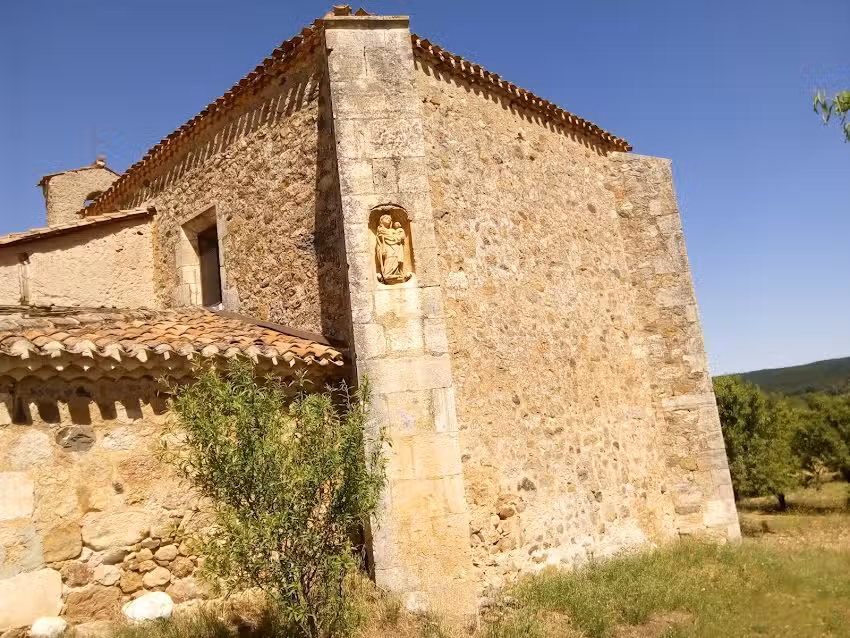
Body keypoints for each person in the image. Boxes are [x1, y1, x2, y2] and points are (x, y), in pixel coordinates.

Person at [375, 214, 409, 283]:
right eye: (386, 218)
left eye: (389, 219)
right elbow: (388, 237)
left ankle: (396, 273)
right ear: (381, 220)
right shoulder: (381, 229)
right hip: (388, 247)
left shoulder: (392, 230)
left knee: (396, 259)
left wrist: (396, 237)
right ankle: (387, 274)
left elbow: (399, 237)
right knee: (390, 257)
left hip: (395, 247)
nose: (388, 219)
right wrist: (397, 237)